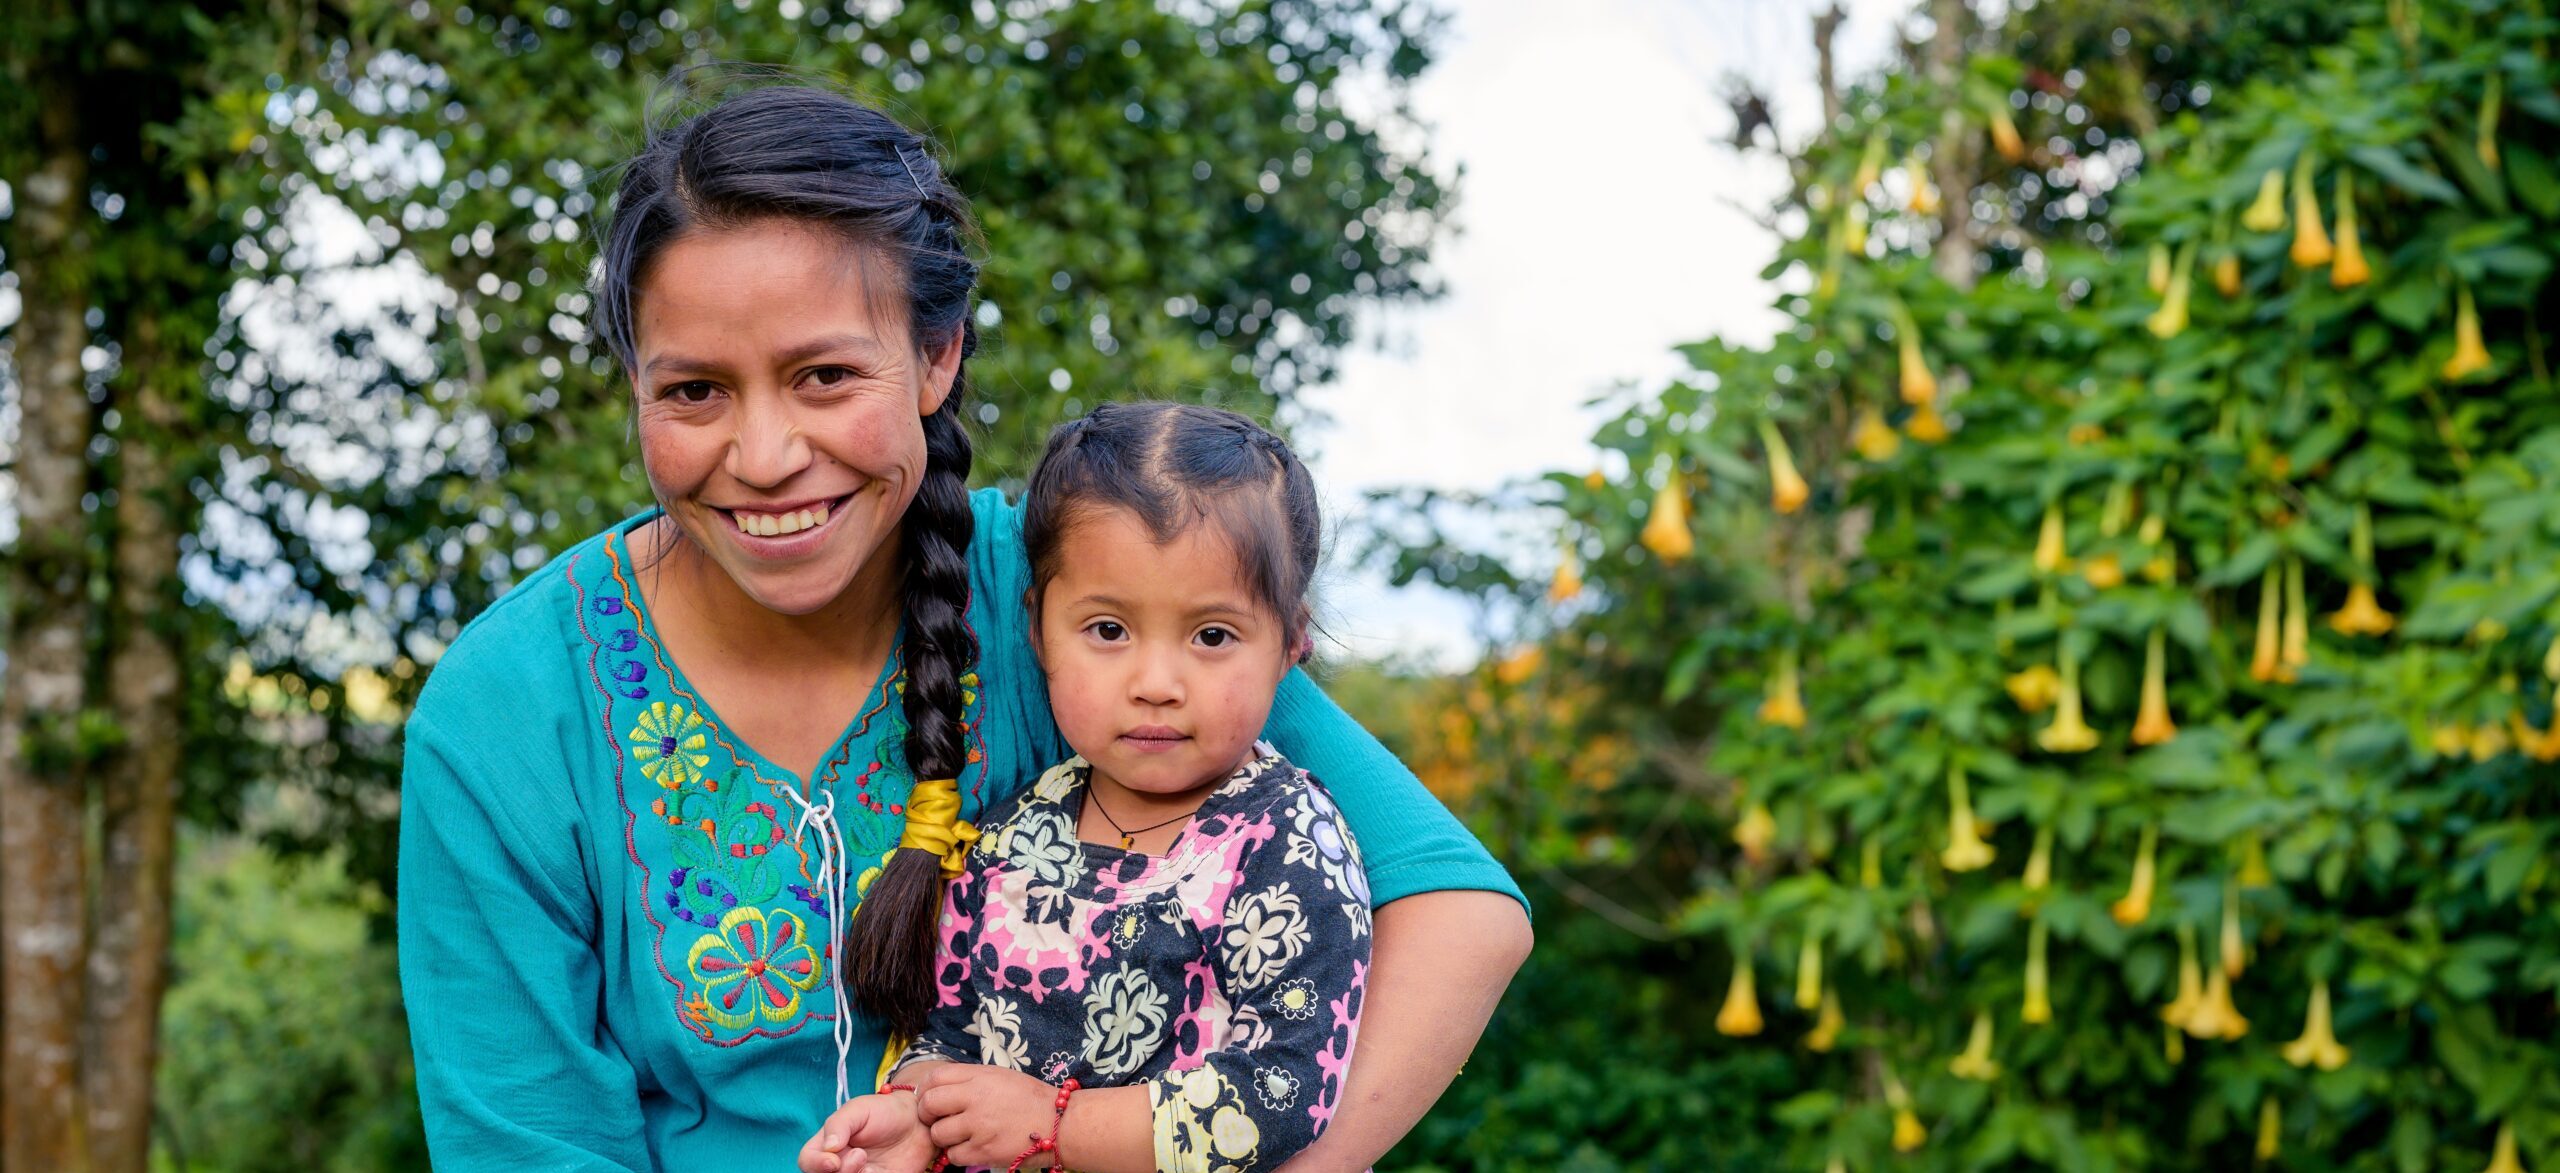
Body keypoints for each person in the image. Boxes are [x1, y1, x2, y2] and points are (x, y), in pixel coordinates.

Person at [396, 80, 1530, 1172]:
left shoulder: (1090, 607)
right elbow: (528, 1141)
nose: (764, 455)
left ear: (937, 357)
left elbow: (1455, 912)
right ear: (634, 384)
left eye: (825, 374)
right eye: (694, 391)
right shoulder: (508, 709)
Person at [798, 402, 1370, 1173]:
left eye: (1211, 636)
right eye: (1108, 630)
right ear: (1037, 631)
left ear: (1289, 644)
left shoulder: (1287, 841)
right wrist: (918, 1114)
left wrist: (1054, 1125)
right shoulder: (1010, 835)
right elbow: (951, 1030)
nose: (1156, 683)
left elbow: (1285, 1088)